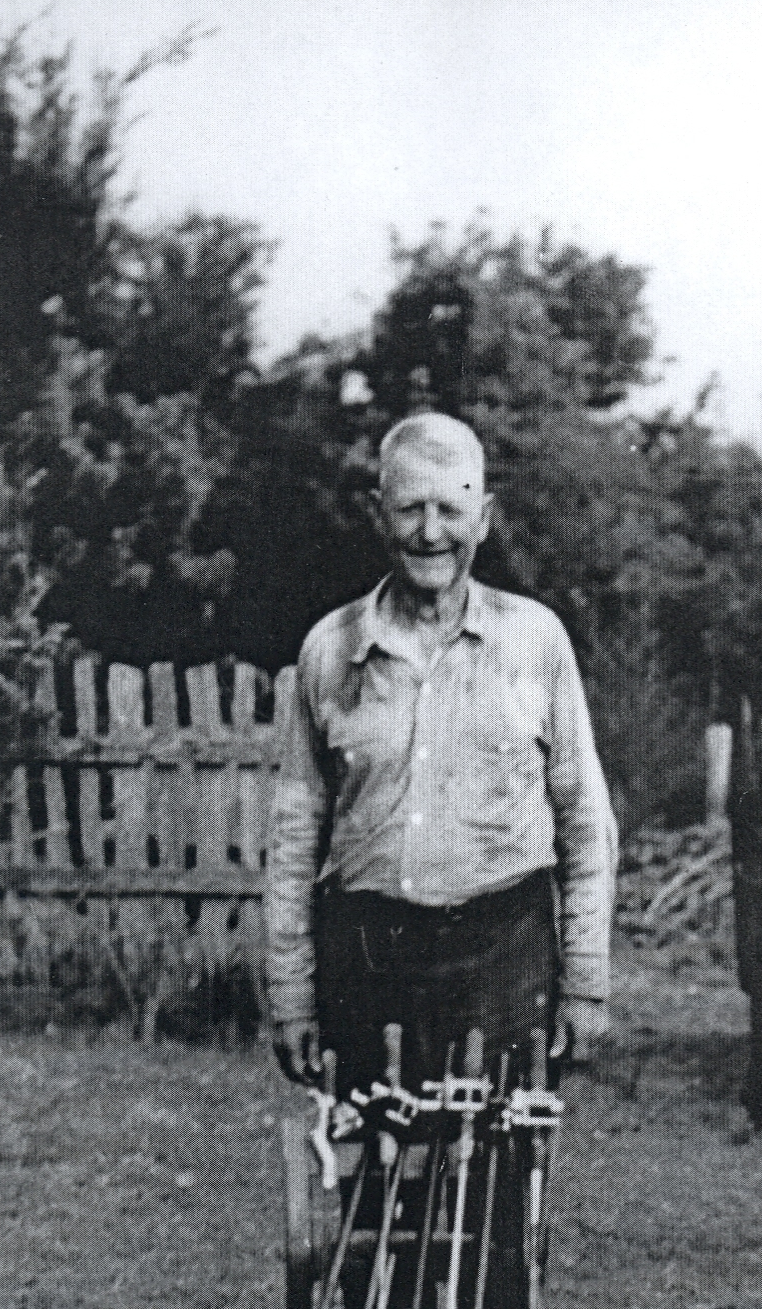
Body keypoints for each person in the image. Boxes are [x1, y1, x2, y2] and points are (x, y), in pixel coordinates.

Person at [264, 411, 617, 1101]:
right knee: (376, 1183)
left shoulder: (535, 642)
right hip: (368, 961)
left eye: (450, 509)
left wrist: (587, 984)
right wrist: (291, 995)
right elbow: (293, 838)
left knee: (495, 1187)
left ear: (483, 518)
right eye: (410, 509)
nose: (431, 533)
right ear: (376, 514)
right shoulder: (329, 651)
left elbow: (584, 824)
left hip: (503, 961)